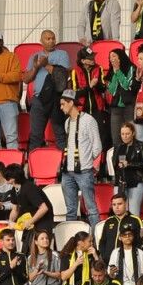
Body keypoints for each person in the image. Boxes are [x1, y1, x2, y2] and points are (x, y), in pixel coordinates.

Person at [57, 89, 102, 227]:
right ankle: (72, 236)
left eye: (63, 104)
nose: (61, 107)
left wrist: (86, 161)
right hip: (67, 172)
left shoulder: (89, 120)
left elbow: (97, 146)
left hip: (84, 171)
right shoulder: (67, 122)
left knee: (91, 208)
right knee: (70, 210)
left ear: (71, 103)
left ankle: (96, 237)